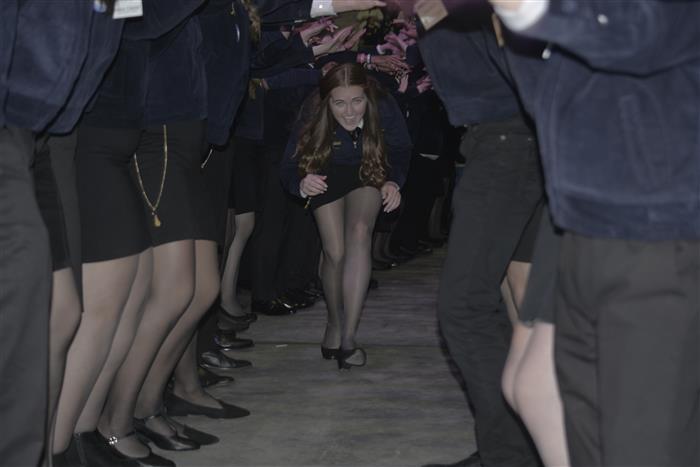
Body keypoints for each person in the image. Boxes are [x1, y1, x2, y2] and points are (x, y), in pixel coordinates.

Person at [489, 1, 700, 465]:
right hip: (580, 231)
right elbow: (543, 104)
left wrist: (522, 8)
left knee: (642, 449)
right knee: (586, 441)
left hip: (657, 238)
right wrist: (512, 25)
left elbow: (638, 31)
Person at [281, 63, 411, 369]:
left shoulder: (383, 104)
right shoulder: (313, 108)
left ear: (367, 96)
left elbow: (402, 148)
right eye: (340, 103)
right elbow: (288, 164)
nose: (350, 112)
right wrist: (301, 183)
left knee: (361, 232)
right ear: (328, 101)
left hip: (368, 170)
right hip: (325, 173)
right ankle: (334, 322)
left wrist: (394, 181)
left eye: (357, 101)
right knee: (335, 252)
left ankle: (349, 337)